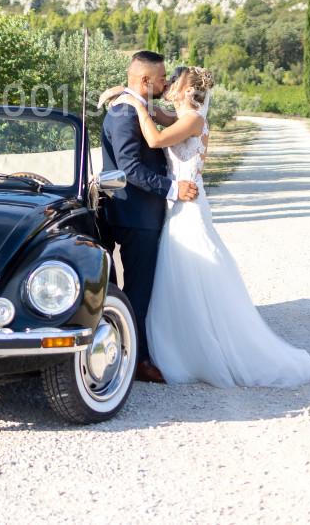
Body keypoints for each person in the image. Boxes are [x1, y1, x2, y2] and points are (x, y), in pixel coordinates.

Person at [106, 65, 310, 389]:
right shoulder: (179, 115)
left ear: (185, 89)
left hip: (188, 205)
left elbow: (155, 138)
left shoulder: (193, 120)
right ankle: (173, 347)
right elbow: (155, 113)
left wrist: (134, 103)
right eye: (164, 78)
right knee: (175, 278)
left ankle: (205, 347)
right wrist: (125, 94)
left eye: (172, 80)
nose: (167, 83)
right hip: (176, 206)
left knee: (195, 274)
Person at [99, 50, 198, 384]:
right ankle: (137, 360)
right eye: (161, 77)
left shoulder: (130, 106)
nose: (165, 82)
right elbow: (130, 169)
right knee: (138, 290)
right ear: (145, 80)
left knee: (133, 288)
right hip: (135, 214)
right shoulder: (125, 113)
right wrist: (172, 188)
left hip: (131, 211)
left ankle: (128, 349)